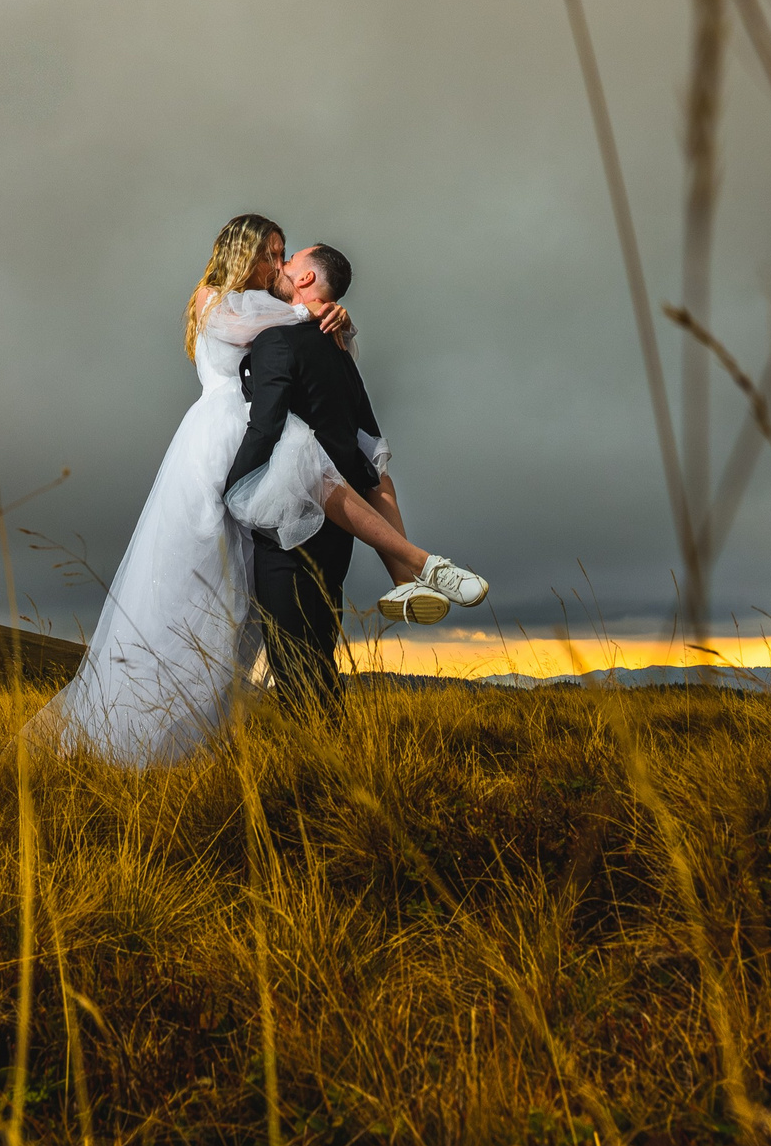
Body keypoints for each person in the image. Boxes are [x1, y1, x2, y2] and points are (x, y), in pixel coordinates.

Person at [28, 215, 485, 766]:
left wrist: (333, 320)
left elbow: (300, 340)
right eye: (273, 254)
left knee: (251, 584)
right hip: (224, 437)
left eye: (285, 255)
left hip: (254, 432)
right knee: (206, 575)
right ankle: (413, 565)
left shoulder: (273, 312)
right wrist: (319, 311)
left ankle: (409, 572)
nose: (278, 264)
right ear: (244, 252)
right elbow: (269, 325)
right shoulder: (215, 298)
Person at [223, 242, 486, 721]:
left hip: (290, 518)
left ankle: (318, 769)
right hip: (341, 523)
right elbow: (364, 433)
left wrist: (233, 487)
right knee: (319, 646)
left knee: (292, 655)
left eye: (289, 261)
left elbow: (265, 425)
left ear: (305, 280)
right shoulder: (338, 347)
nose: (280, 266)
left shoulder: (276, 341)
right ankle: (407, 577)